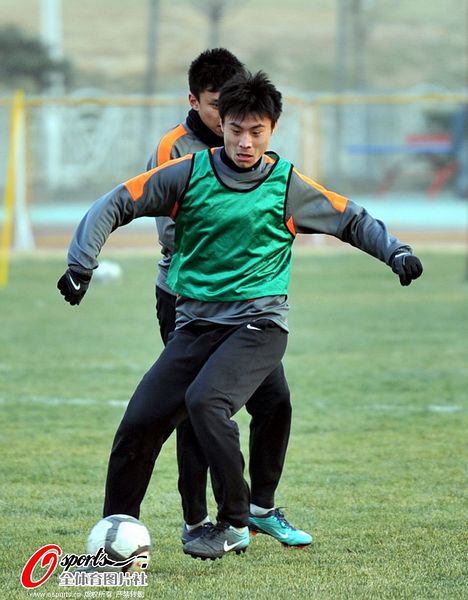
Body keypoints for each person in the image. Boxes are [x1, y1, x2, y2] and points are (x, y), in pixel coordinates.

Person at [57, 70, 423, 561]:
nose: (245, 142)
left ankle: (235, 521)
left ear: (272, 130)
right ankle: (113, 541)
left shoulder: (287, 185)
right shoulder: (187, 173)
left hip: (259, 326)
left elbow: (350, 218)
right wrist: (81, 264)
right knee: (138, 424)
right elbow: (117, 202)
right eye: (235, 130)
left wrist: (396, 251)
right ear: (221, 124)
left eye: (256, 131)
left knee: (208, 402)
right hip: (196, 325)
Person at [147, 48, 309, 549]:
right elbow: (175, 228)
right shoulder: (176, 150)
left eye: (236, 111)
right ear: (194, 102)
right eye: (218, 106)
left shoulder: (246, 144)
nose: (229, 122)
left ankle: (260, 509)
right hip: (188, 298)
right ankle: (199, 519)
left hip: (249, 308)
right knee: (196, 406)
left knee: (275, 400)